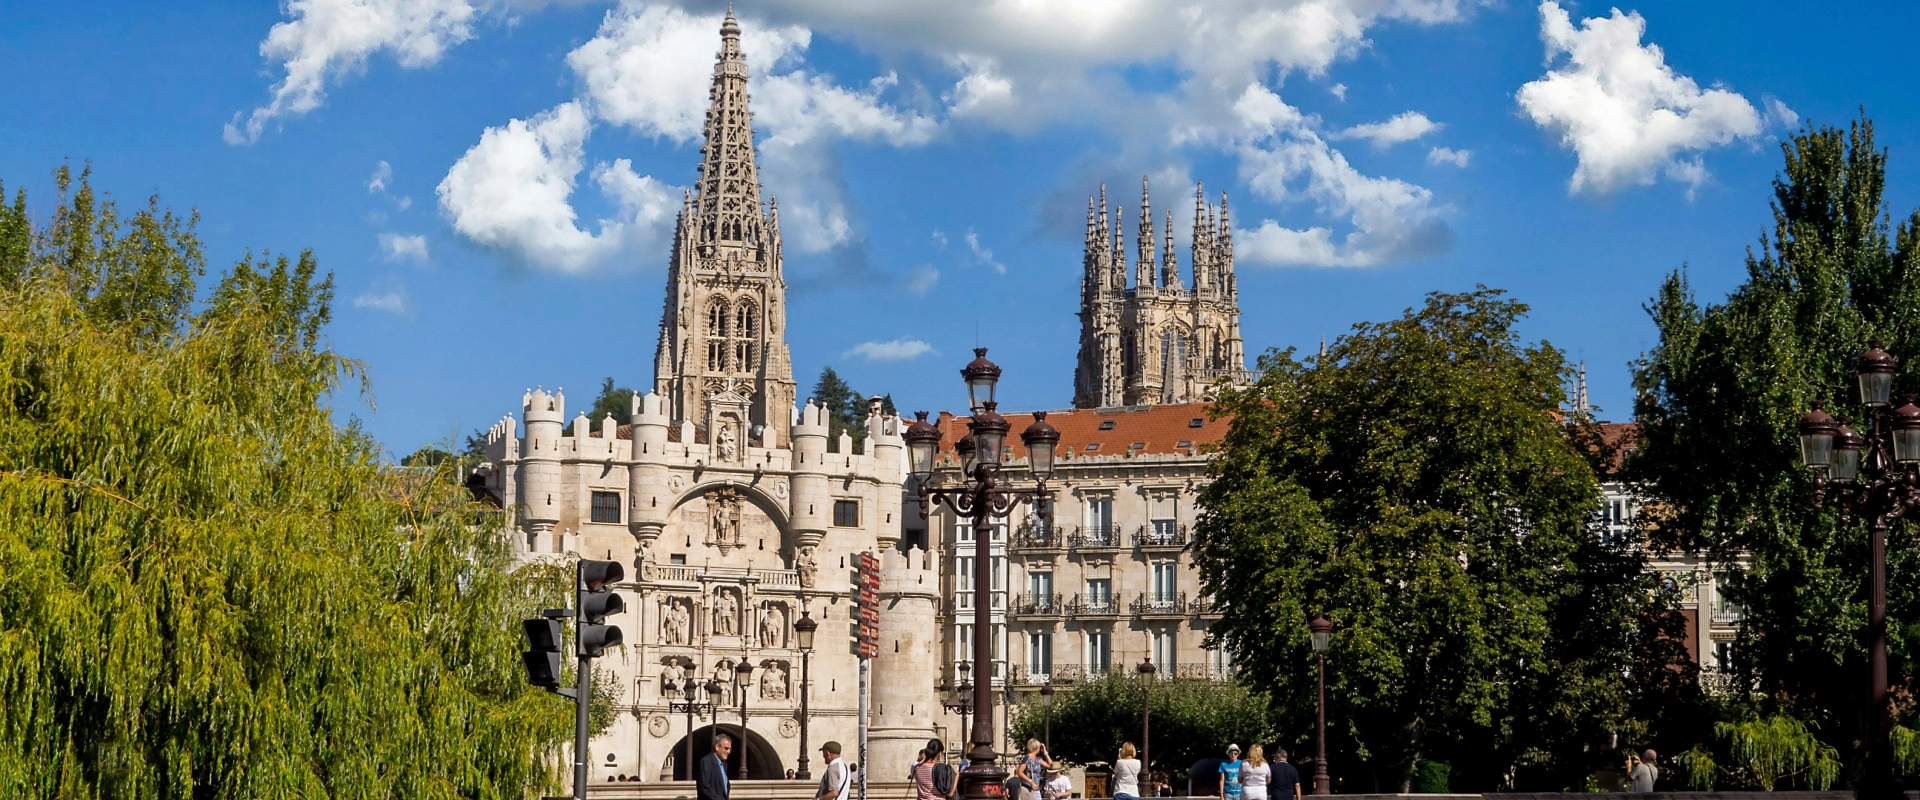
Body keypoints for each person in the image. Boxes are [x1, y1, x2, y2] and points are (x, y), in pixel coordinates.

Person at [697, 734, 733, 800]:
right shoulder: (706, 762)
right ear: (717, 747)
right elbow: (704, 787)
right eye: (726, 748)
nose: (729, 751)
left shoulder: (724, 765)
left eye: (730, 749)